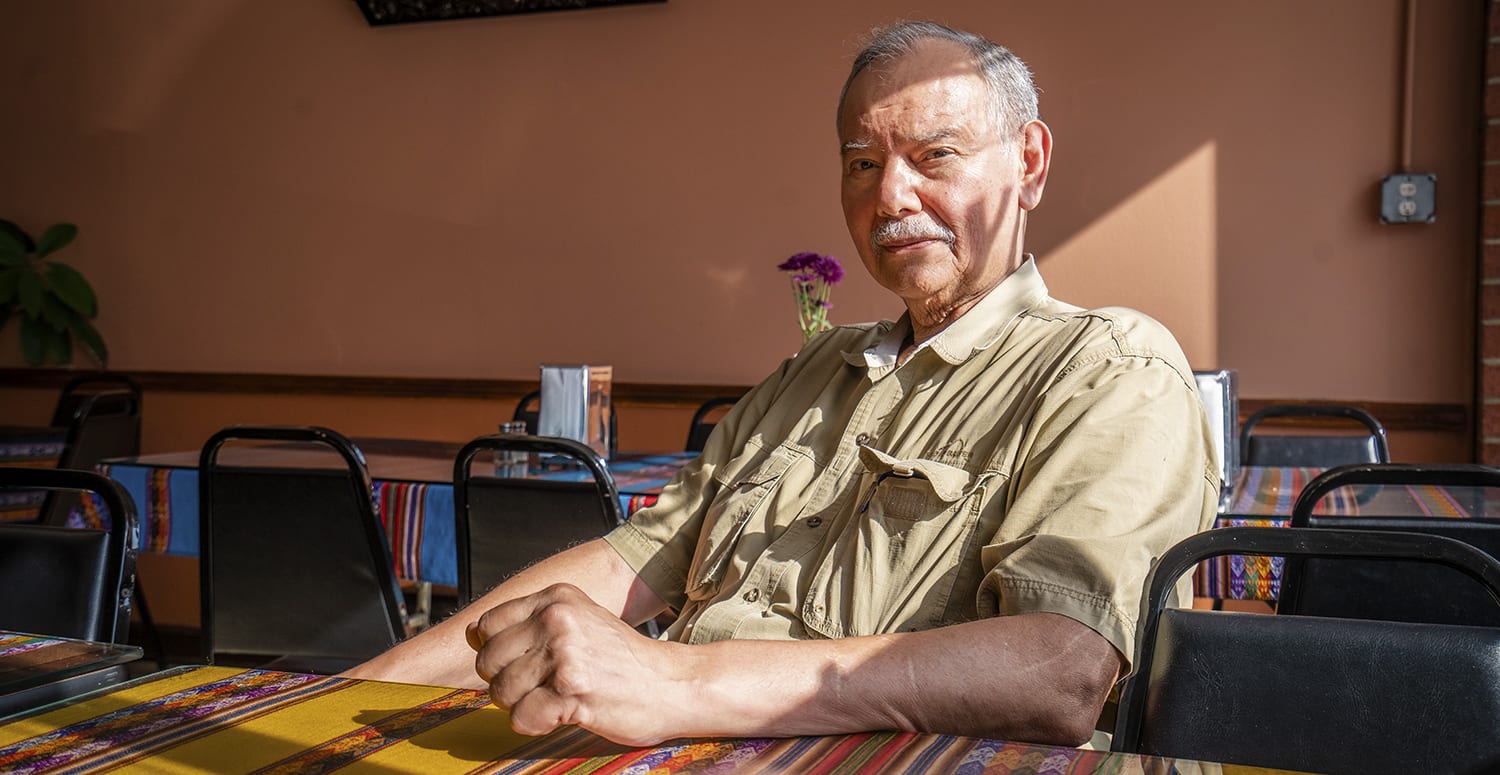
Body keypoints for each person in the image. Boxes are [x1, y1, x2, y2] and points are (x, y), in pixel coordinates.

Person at [346, 20, 1217, 749]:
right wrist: (352, 697)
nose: (892, 196)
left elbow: (1061, 669)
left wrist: (674, 678)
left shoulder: (1111, 369)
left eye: (934, 155)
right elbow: (637, 561)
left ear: (1028, 162)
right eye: (862, 163)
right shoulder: (813, 367)